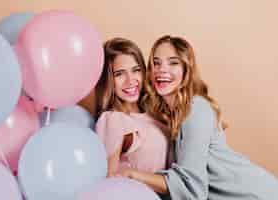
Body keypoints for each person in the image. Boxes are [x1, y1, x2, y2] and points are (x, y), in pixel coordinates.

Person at [116, 35, 278, 200]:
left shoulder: (196, 108)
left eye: (173, 63)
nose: (162, 70)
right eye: (156, 63)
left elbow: (191, 187)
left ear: (186, 69)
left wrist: (134, 175)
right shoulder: (169, 115)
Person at [95, 38, 170, 177]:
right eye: (119, 74)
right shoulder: (114, 119)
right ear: (108, 80)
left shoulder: (155, 112)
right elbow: (108, 180)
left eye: (136, 70)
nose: (130, 80)